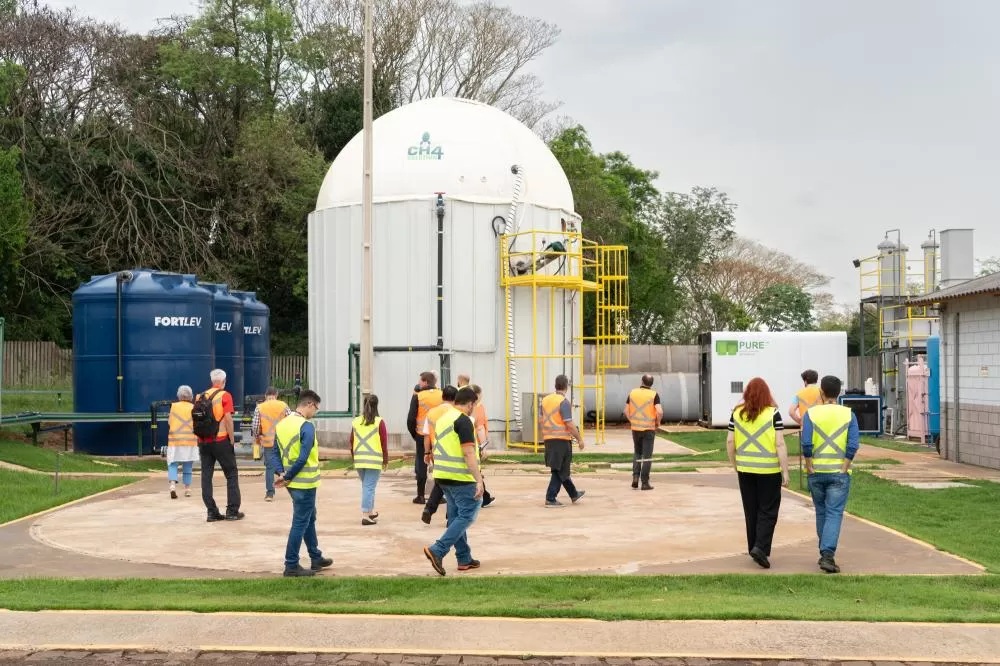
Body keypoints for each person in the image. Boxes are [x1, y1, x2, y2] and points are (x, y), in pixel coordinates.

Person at [726, 377, 790, 569]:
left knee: (751, 510)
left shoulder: (737, 413)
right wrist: (785, 471)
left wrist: (734, 464)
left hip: (745, 469)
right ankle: (761, 548)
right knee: (768, 510)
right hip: (769, 470)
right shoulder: (773, 414)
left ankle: (754, 546)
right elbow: (779, 443)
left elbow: (730, 442)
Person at [801, 375, 860, 574]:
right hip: (839, 473)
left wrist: (809, 465)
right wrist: (844, 466)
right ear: (839, 392)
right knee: (834, 513)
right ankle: (827, 554)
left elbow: (807, 443)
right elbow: (853, 444)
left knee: (821, 512)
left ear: (822, 392)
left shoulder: (811, 414)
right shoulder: (848, 414)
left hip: (816, 471)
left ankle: (824, 552)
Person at [423, 387, 485, 576]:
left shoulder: (443, 419)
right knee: (467, 515)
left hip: (442, 477)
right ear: (470, 404)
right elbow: (468, 453)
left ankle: (464, 558)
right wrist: (479, 480)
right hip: (460, 477)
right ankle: (438, 549)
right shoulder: (463, 420)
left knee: (455, 516)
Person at [271, 390, 333, 577]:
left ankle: (315, 556)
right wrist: (288, 475)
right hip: (304, 483)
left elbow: (274, 452)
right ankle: (291, 564)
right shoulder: (306, 426)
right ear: (309, 405)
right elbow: (303, 457)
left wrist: (282, 473)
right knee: (301, 521)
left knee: (309, 518)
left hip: (291, 482)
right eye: (316, 409)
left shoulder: (281, 425)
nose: (315, 413)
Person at [197, 369, 243, 522]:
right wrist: (231, 439)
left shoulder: (200, 396)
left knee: (206, 476)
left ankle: (211, 511)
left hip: (203, 442)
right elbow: (228, 419)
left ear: (211, 381)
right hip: (221, 440)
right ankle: (232, 511)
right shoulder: (225, 395)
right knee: (231, 474)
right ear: (224, 381)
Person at [540, 375, 585, 508]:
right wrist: (579, 438)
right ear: (566, 386)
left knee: (560, 469)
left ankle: (574, 493)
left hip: (549, 439)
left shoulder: (545, 400)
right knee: (560, 470)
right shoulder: (564, 402)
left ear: (555, 385)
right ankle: (550, 498)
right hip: (561, 441)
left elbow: (540, 420)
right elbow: (569, 424)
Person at [421, 385, 458, 525]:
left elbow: (426, 436)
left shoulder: (431, 413)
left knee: (441, 481)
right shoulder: (456, 413)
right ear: (455, 399)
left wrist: (427, 452)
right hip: (454, 453)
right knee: (453, 483)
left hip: (437, 453)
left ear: (442, 397)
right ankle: (450, 516)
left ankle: (429, 509)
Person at [350, 394, 389, 526]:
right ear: (376, 405)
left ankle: (370, 512)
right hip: (373, 460)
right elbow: (384, 442)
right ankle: (366, 515)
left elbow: (351, 441)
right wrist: (385, 459)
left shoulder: (356, 421)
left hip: (359, 459)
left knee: (367, 486)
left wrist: (353, 457)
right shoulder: (379, 422)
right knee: (369, 487)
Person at [251, 386, 292, 502]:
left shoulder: (260, 407)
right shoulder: (283, 405)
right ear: (276, 395)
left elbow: (255, 426)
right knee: (286, 465)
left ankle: (270, 493)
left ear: (265, 396)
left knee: (269, 467)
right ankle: (292, 489)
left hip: (268, 442)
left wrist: (258, 436)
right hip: (283, 442)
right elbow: (291, 421)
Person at [407, 371, 442, 505]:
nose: (418, 383)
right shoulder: (442, 395)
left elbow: (411, 418)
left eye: (420, 381)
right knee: (438, 464)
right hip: (440, 435)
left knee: (422, 465)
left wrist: (415, 434)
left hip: (422, 435)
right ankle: (440, 495)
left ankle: (420, 496)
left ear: (426, 382)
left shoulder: (418, 396)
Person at [624, 374, 663, 491]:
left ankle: (635, 477)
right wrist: (658, 422)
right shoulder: (654, 395)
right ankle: (645, 483)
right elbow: (660, 411)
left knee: (637, 452)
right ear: (651, 383)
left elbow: (626, 410)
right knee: (647, 456)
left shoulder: (632, 393)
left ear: (641, 381)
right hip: (649, 430)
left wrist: (632, 420)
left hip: (635, 429)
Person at [166, 385, 199, 500]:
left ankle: (172, 486)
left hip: (175, 441)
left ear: (179, 395)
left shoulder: (173, 407)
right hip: (190, 441)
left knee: (172, 463)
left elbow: (170, 422)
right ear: (191, 396)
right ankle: (187, 489)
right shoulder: (194, 407)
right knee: (188, 465)